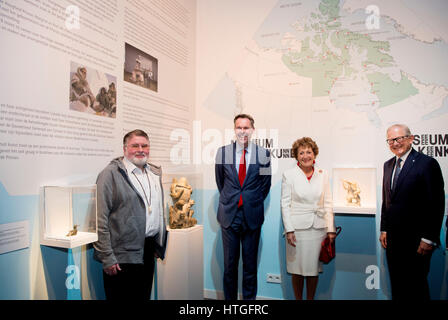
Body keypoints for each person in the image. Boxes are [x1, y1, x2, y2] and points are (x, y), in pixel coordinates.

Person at [93, 129, 168, 300]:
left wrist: (158, 244)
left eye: (145, 145)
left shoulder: (154, 173)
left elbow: (157, 211)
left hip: (147, 250)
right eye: (135, 145)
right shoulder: (110, 174)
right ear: (125, 148)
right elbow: (100, 219)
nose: (141, 149)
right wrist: (107, 257)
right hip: (121, 255)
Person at [380, 124, 445, 300]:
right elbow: (387, 201)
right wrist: (384, 229)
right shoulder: (388, 165)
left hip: (417, 242)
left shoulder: (427, 164)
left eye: (399, 138)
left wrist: (429, 238)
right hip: (393, 241)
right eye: (391, 140)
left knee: (417, 287)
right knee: (398, 286)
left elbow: (436, 203)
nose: (395, 143)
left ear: (411, 138)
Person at [215, 114, 271, 300]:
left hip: (251, 216)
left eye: (246, 127)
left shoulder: (263, 155)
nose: (242, 131)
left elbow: (265, 185)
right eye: (239, 127)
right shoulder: (222, 153)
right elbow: (220, 182)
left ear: (253, 130)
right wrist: (233, 199)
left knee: (250, 266)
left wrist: (250, 201)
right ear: (234, 129)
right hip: (229, 216)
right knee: (230, 267)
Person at [281, 137, 336, 300]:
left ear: (315, 154)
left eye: (309, 152)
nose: (306, 156)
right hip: (296, 230)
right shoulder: (288, 175)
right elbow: (285, 204)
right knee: (297, 270)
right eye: (302, 152)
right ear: (296, 156)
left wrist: (331, 229)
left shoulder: (323, 174)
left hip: (318, 229)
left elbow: (328, 202)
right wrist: (289, 229)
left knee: (313, 270)